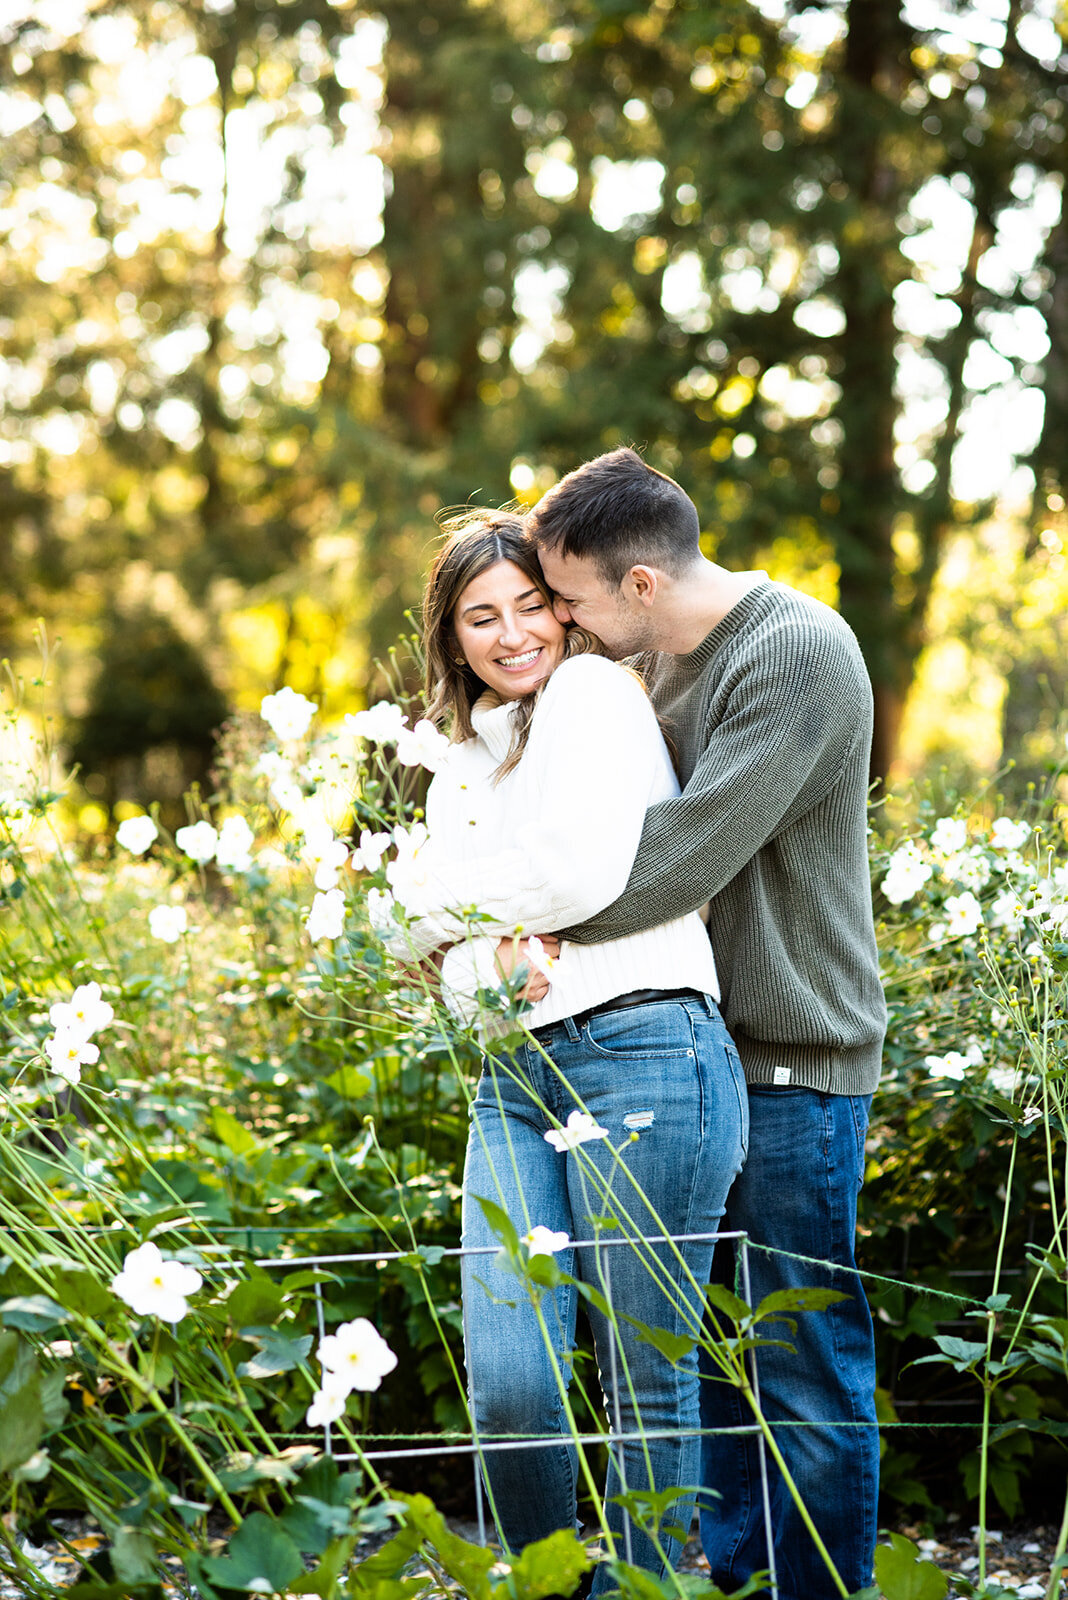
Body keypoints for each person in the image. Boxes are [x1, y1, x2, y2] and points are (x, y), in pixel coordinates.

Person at [526, 447, 886, 1600]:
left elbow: (686, 854)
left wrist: (528, 927)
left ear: (638, 585)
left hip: (794, 1065)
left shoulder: (797, 654)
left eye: (571, 600)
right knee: (722, 1371)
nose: (563, 626)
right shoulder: (663, 663)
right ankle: (735, 1585)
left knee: (803, 1373)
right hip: (698, 1062)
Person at [399, 509, 748, 1592]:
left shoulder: (598, 696)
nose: (513, 635)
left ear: (564, 607)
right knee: (511, 1377)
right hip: (515, 1077)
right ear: (452, 639)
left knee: (644, 1376)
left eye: (530, 605)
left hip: (646, 1043)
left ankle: (644, 1586)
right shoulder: (458, 760)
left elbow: (583, 874)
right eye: (480, 618)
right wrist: (466, 951)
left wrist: (429, 903)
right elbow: (423, 964)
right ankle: (550, 1583)